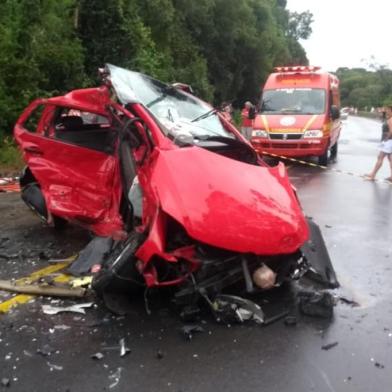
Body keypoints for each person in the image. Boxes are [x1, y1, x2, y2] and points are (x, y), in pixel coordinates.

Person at [365, 104, 392, 181]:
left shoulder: (391, 120)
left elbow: (391, 131)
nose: (386, 111)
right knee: (390, 159)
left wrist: (386, 138)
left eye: (388, 110)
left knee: (380, 157)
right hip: (389, 141)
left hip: (388, 141)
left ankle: (372, 175)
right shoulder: (389, 118)